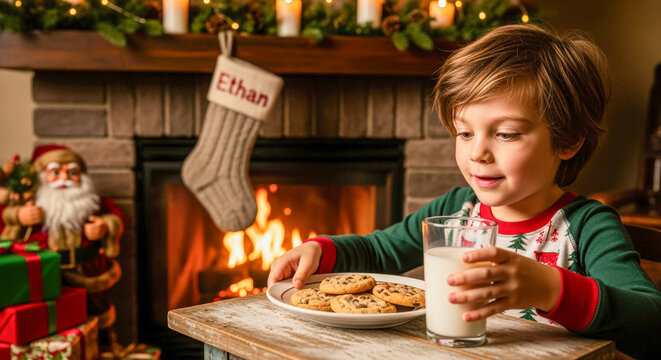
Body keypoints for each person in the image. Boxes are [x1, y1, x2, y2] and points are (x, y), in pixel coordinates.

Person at [267, 24, 661, 359]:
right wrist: (323, 250)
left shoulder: (587, 226)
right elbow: (379, 251)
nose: (478, 152)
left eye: (506, 134)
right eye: (465, 133)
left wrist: (550, 288)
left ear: (568, 139)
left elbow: (651, 322)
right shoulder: (456, 210)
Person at [0, 144, 125, 346]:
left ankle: (103, 348)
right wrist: (18, 216)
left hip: (88, 273)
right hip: (47, 273)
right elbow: (4, 221)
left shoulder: (92, 202)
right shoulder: (29, 202)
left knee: (97, 318)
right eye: (55, 172)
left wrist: (105, 226)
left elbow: (116, 215)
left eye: (72, 172)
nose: (64, 178)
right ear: (41, 176)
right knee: (48, 322)